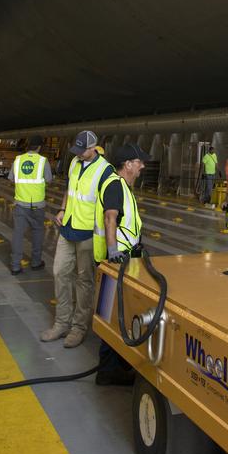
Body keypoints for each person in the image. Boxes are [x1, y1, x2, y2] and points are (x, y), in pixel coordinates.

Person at [40, 130, 113, 349]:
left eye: (83, 150)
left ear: (94, 147)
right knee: (59, 272)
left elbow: (109, 209)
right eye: (77, 150)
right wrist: (62, 209)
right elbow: (70, 189)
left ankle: (79, 328)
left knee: (84, 282)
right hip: (68, 228)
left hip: (88, 235)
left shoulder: (105, 170)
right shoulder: (74, 162)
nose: (79, 154)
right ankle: (61, 323)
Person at [92, 143, 144, 386]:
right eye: (139, 162)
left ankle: (117, 363)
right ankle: (108, 370)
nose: (142, 166)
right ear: (128, 165)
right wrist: (113, 253)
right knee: (112, 315)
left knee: (117, 312)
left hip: (126, 257)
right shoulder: (115, 185)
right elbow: (110, 217)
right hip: (118, 261)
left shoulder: (122, 185)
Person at [9, 144, 52, 273]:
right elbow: (49, 179)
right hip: (37, 204)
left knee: (18, 233)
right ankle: (36, 262)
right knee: (37, 232)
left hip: (21, 203)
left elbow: (11, 178)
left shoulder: (18, 160)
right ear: (39, 147)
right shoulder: (43, 161)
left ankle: (15, 266)